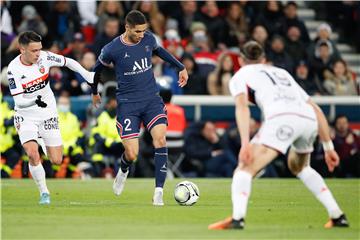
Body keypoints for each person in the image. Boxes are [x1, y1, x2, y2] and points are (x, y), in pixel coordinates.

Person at [208, 41, 349, 230]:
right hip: (308, 119)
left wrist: (245, 144)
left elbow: (242, 108)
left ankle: (237, 219)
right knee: (299, 166)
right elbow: (315, 108)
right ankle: (337, 216)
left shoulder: (240, 75)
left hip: (282, 119)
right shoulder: (282, 72)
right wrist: (328, 147)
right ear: (264, 59)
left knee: (244, 168)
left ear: (240, 60)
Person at [92, 10, 188, 206]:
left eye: (144, 31)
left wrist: (180, 66)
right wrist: (95, 91)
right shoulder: (112, 49)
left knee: (160, 140)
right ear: (127, 27)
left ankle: (159, 192)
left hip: (151, 100)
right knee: (132, 153)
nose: (141, 35)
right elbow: (96, 69)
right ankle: (124, 169)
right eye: (137, 31)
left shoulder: (147, 39)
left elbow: (160, 51)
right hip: (128, 104)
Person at [6, 31, 100, 204]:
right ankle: (44, 193)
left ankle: (41, 139)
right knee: (32, 154)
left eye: (39, 49)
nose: (38, 54)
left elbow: (68, 62)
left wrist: (87, 75)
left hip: (48, 114)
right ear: (22, 50)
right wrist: (35, 100)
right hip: (26, 115)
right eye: (34, 51)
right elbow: (19, 100)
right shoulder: (13, 70)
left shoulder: (45, 57)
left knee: (57, 160)